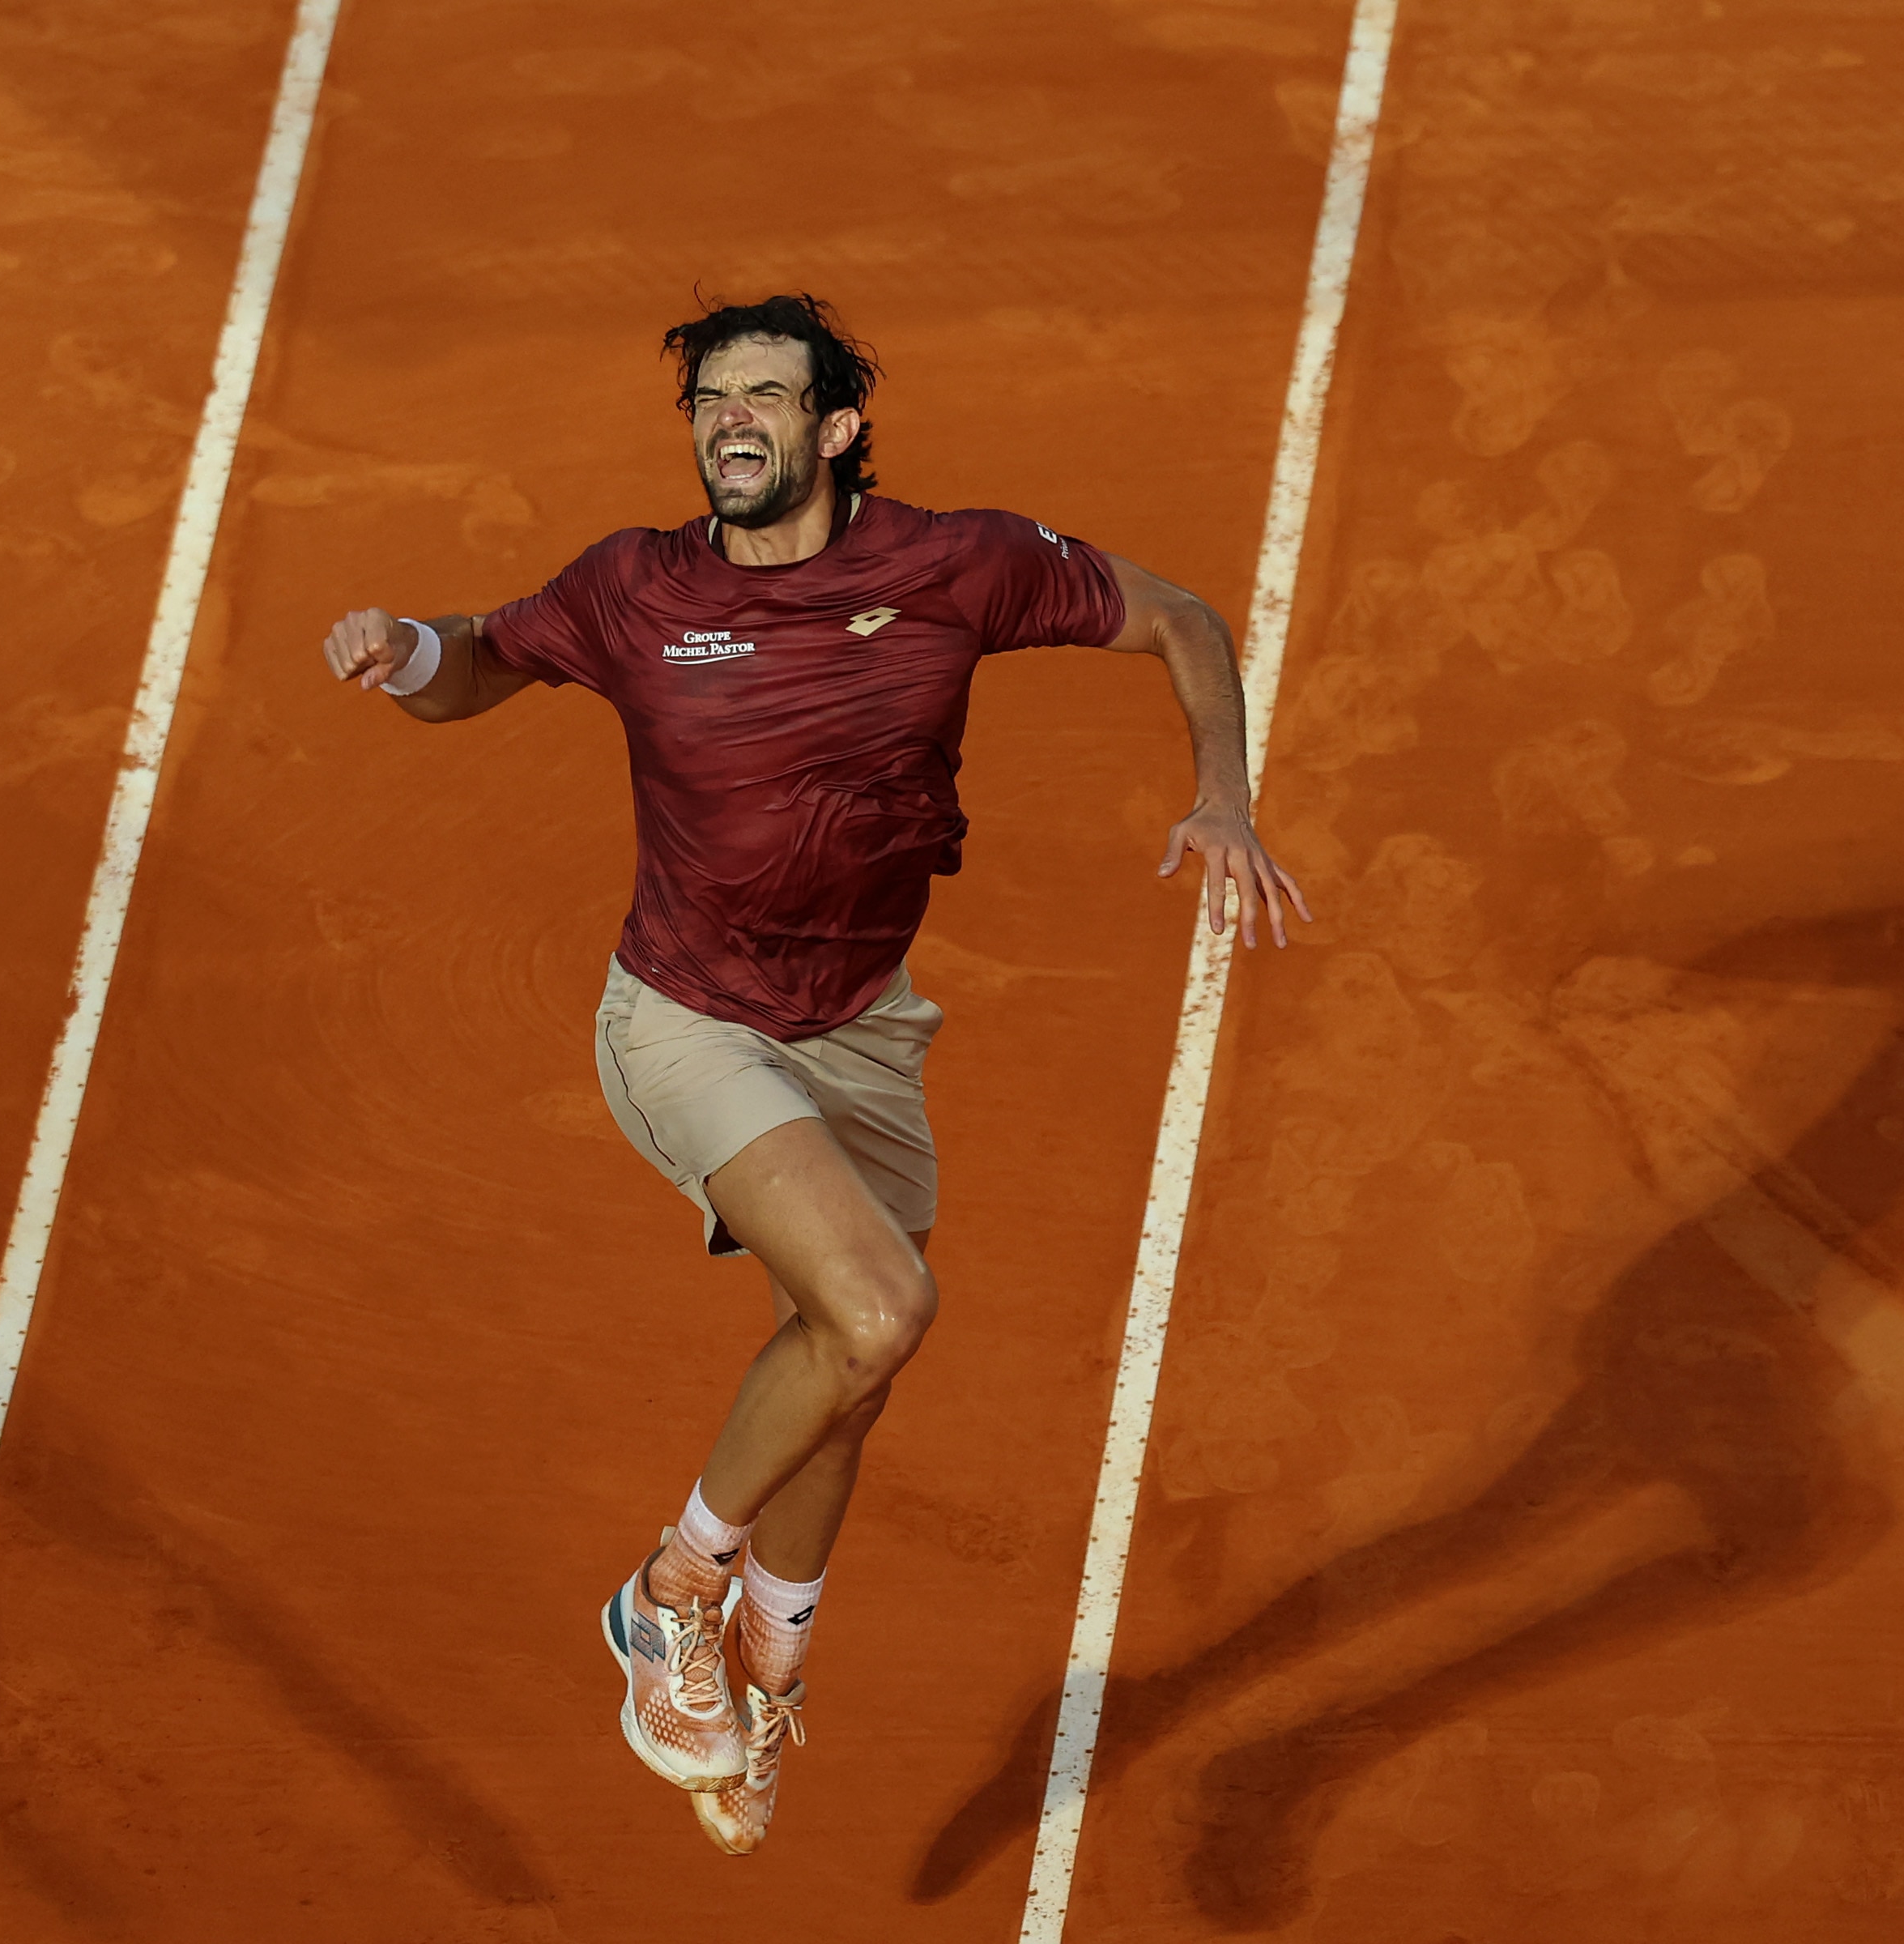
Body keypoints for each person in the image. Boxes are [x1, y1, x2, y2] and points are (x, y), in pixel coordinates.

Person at [317, 294, 1312, 1852]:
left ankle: (765, 1662)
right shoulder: (634, 588)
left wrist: (1224, 800)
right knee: (877, 1307)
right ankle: (669, 1603)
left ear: (834, 430)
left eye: (768, 399)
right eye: (713, 400)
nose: (733, 421)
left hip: (858, 1023)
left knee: (842, 1369)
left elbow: (1185, 616)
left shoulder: (953, 565)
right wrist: (404, 648)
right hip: (687, 1019)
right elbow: (480, 660)